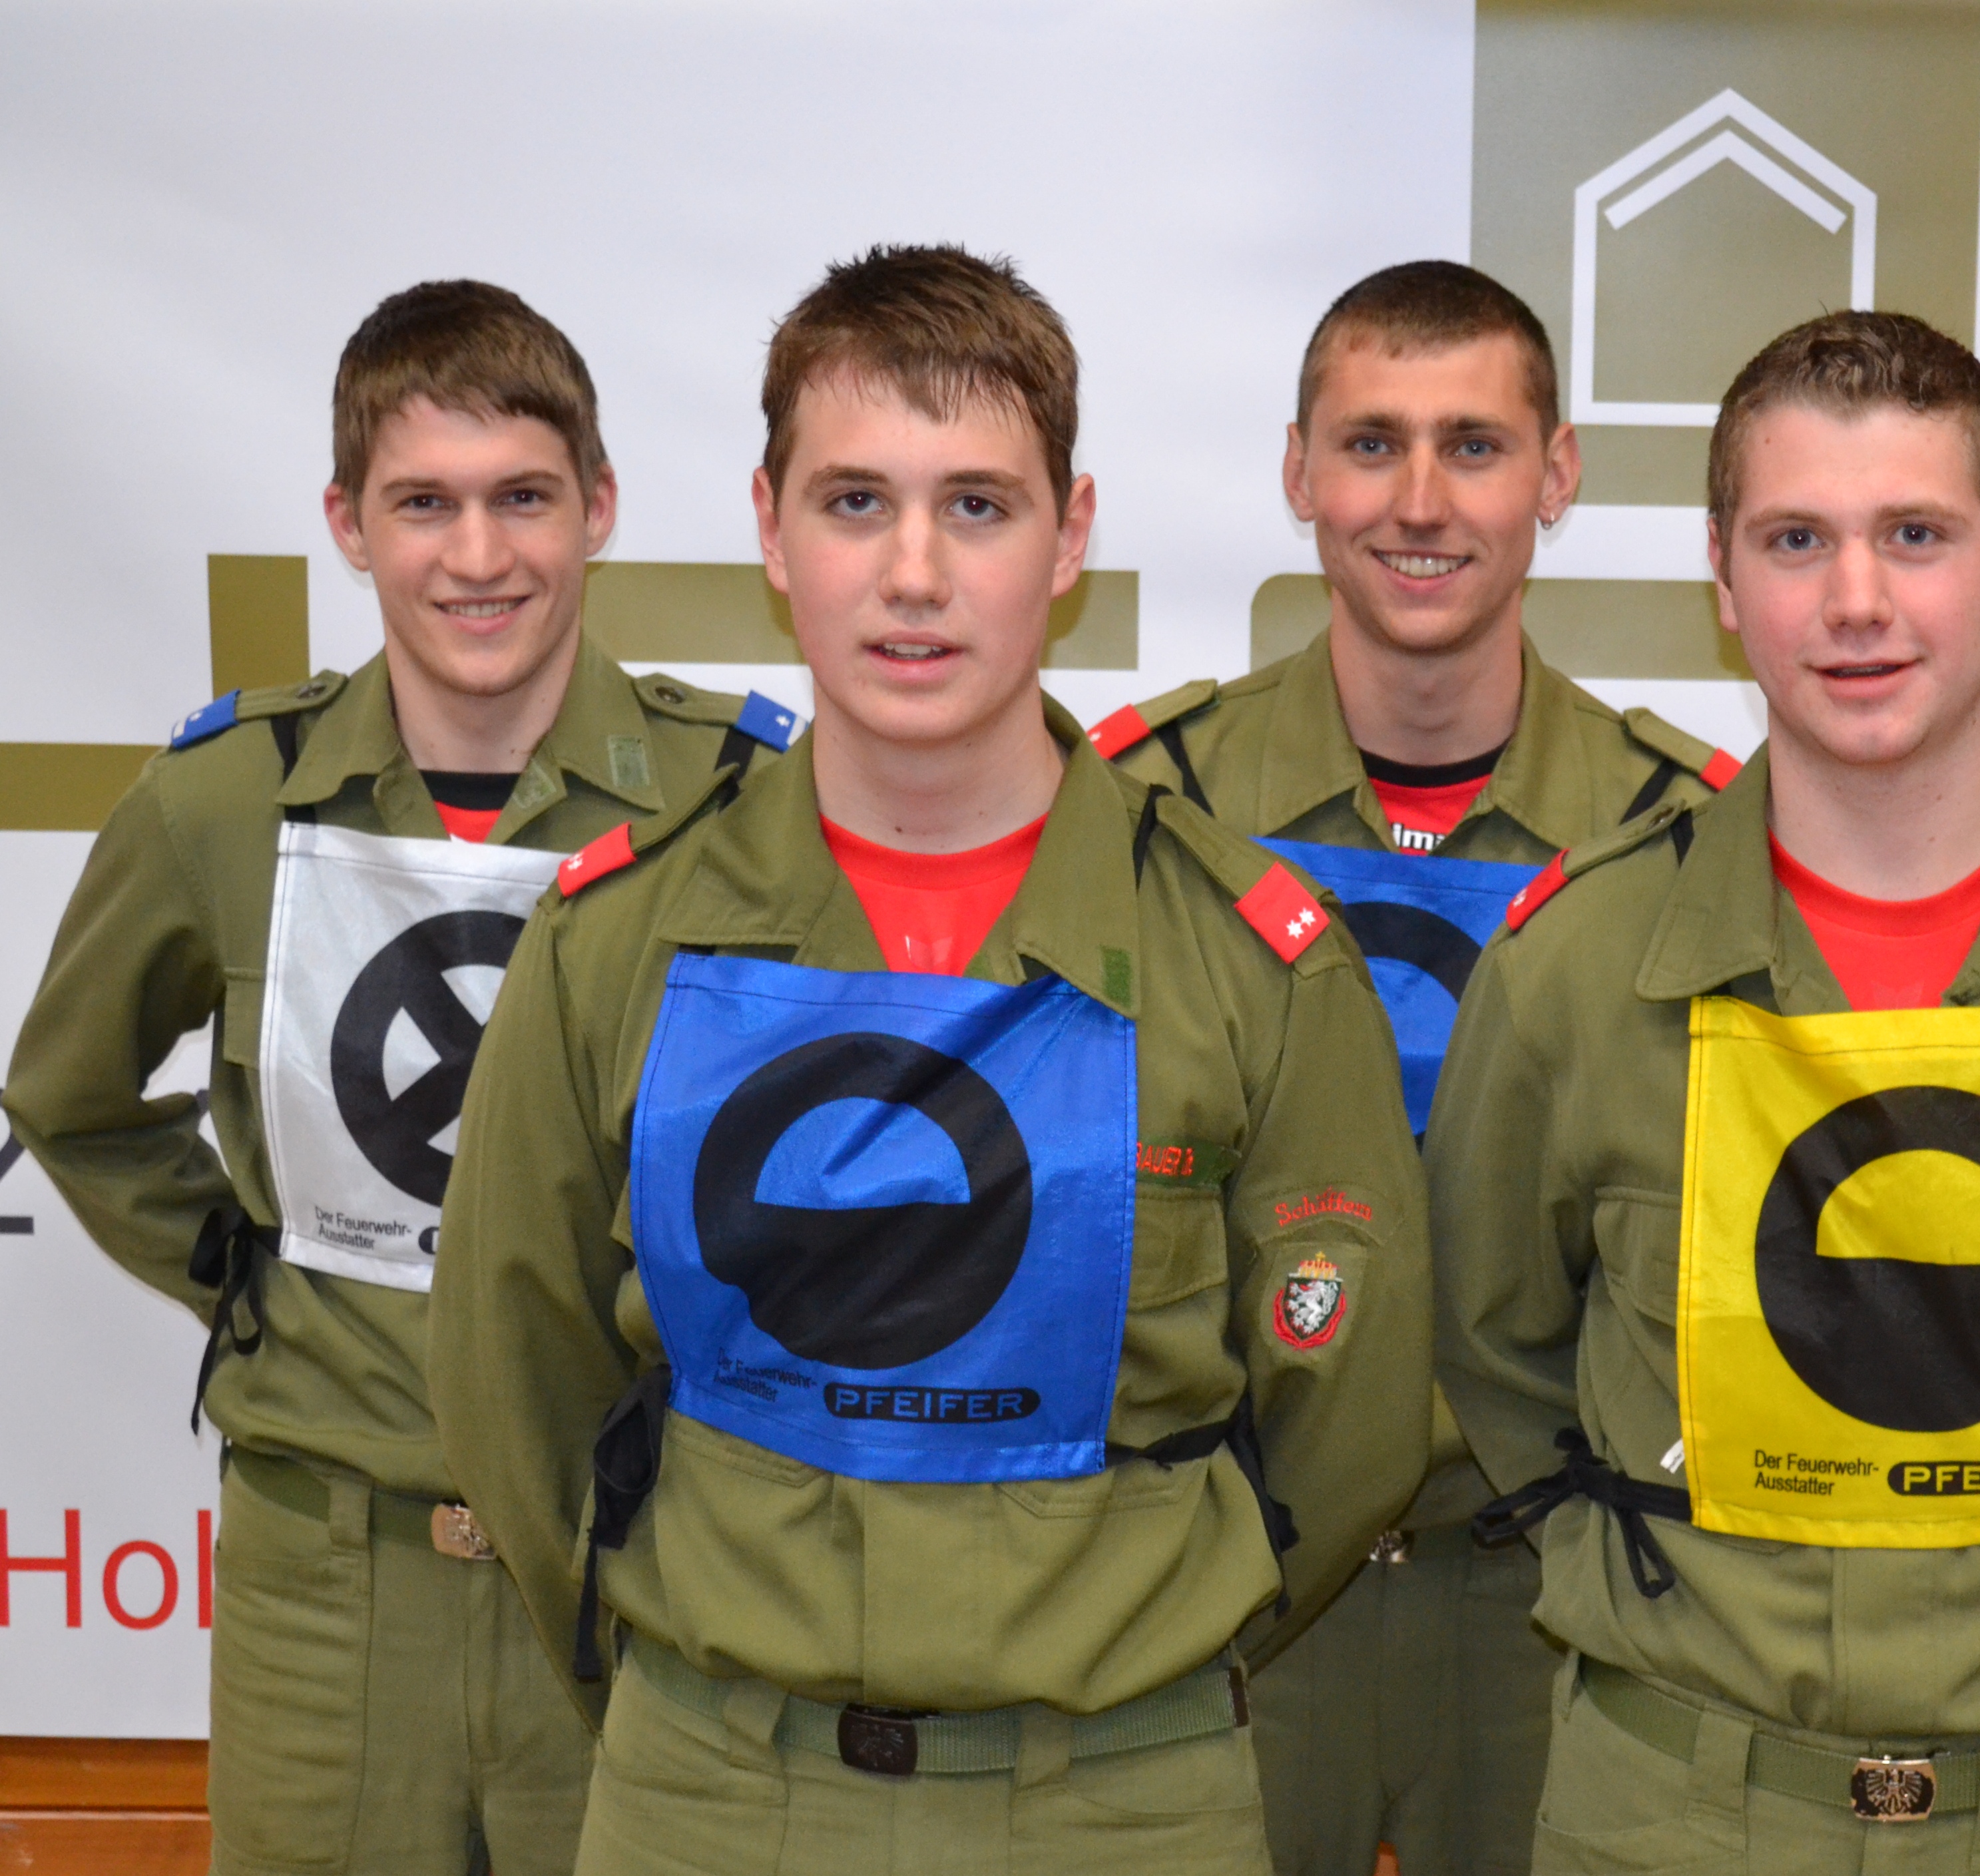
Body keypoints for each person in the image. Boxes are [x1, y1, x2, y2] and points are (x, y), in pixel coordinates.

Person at [429, 244, 1433, 1876]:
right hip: (707, 1794)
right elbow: (510, 1374)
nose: (913, 573)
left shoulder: (1249, 957)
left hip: (1125, 1803)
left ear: (1070, 535)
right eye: (854, 503)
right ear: (771, 530)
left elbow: (1349, 1420)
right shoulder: (614, 939)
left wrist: (1142, 1663)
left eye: (976, 505)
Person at [1427, 310, 1980, 1872]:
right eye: (1795, 540)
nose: (1855, 600)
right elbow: (1498, 1350)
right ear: (1724, 584)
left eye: (1914, 534)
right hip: (1669, 1809)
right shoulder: (1572, 966)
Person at [1, 280, 784, 1875]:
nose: (477, 554)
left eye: (522, 498)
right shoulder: (225, 800)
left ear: (600, 508)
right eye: (423, 502)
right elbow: (71, 1095)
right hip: (326, 1589)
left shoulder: (739, 806)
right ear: (347, 522)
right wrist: (250, 1276)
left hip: (635, 1556)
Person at [1101, 258, 1733, 1876]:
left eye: (1474, 445)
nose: (1421, 500)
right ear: (1297, 471)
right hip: (1227, 1592)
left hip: (1551, 1604)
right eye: (1371, 443)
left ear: (1556, 474)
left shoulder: (1688, 834)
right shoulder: (1139, 808)